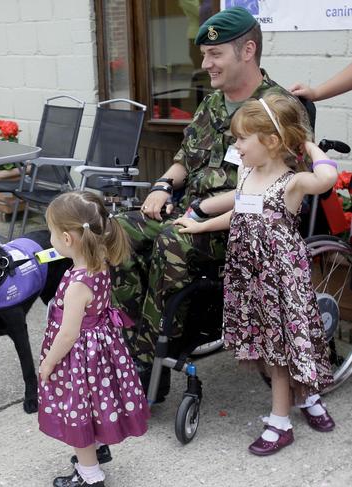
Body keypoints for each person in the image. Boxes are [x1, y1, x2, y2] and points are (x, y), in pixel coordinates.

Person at [111, 6, 312, 401]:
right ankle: (129, 345)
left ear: (248, 50)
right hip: (191, 210)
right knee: (118, 229)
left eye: (214, 54)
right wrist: (163, 186)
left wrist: (203, 210)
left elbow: (279, 186)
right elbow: (185, 159)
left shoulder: (278, 109)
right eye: (204, 54)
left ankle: (153, 358)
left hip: (246, 224)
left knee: (173, 238)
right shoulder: (212, 105)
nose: (205, 64)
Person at [175, 94, 336, 455]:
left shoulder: (292, 182)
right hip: (249, 278)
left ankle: (281, 423)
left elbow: (327, 177)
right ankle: (307, 397)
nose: (236, 145)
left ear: (272, 142)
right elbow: (239, 214)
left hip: (281, 279)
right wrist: (200, 225)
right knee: (267, 347)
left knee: (282, 352)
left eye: (242, 138)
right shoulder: (246, 172)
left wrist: (308, 143)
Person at [39, 191, 150, 487]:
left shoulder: (77, 283)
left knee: (77, 412)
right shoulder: (99, 263)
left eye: (51, 232)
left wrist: (48, 364)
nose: (49, 239)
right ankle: (97, 450)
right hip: (100, 349)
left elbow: (68, 334)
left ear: (66, 239)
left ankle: (90, 475)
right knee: (96, 403)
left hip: (78, 357)